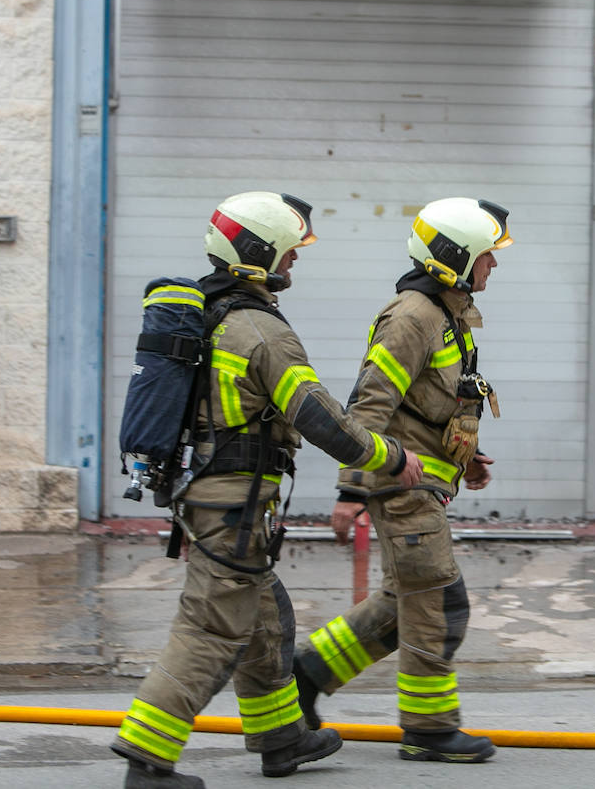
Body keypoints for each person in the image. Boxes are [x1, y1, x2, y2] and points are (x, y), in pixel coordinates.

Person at [110, 191, 422, 787]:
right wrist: (391, 458)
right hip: (232, 504)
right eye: (288, 250)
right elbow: (322, 419)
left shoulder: (211, 313)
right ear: (257, 252)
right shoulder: (259, 331)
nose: (295, 261)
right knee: (210, 628)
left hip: (216, 500)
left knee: (266, 615)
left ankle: (281, 737)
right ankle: (147, 760)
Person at [291, 197, 512, 765]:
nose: (495, 266)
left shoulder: (447, 315)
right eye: (487, 256)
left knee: (404, 602)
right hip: (400, 486)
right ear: (454, 259)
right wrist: (349, 492)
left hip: (425, 485)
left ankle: (306, 674)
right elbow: (367, 407)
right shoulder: (412, 318)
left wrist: (469, 455)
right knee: (440, 602)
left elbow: (430, 406)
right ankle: (429, 728)